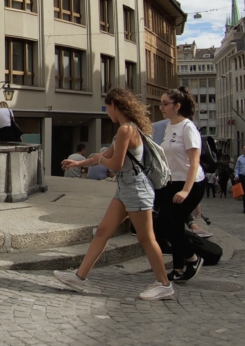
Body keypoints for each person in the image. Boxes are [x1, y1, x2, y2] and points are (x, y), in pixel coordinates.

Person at [54, 88, 175, 301]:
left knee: (146, 238)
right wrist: (80, 162)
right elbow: (104, 155)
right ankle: (79, 278)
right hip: (125, 189)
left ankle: (164, 284)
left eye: (107, 107)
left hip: (136, 189)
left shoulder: (126, 130)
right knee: (102, 231)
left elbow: (115, 164)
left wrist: (99, 161)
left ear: (115, 106)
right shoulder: (126, 129)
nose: (106, 111)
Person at [156, 87, 207, 281]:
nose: (161, 107)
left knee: (172, 224)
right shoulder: (169, 126)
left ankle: (192, 258)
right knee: (167, 225)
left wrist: (186, 190)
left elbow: (194, 162)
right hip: (172, 182)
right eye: (160, 103)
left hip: (191, 183)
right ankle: (178, 268)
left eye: (165, 104)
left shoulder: (188, 127)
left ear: (177, 106)